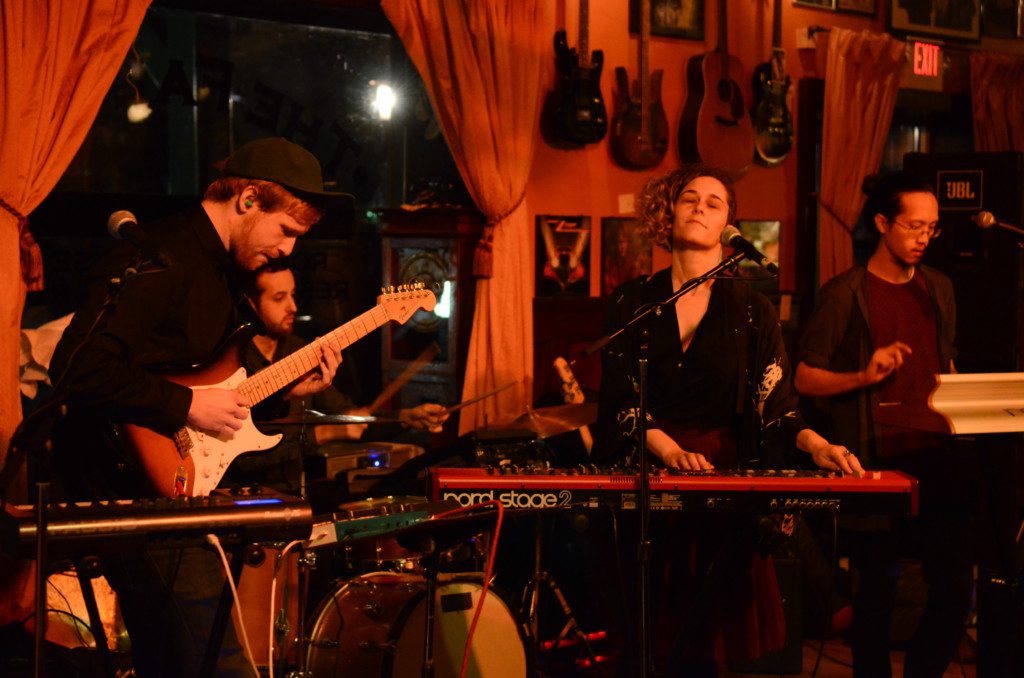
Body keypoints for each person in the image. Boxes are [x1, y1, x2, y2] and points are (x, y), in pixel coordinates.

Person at [47, 137, 346, 677]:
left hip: (174, 493)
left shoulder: (224, 272)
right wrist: (185, 405)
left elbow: (208, 386)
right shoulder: (160, 257)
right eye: (286, 230)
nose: (287, 250)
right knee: (218, 663)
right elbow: (77, 368)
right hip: (128, 493)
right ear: (248, 200)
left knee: (177, 660)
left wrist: (284, 392)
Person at [592, 164, 862, 677]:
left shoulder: (752, 309)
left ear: (729, 227)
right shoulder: (633, 301)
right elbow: (621, 399)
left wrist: (818, 446)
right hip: (651, 477)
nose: (699, 207)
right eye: (689, 198)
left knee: (710, 649)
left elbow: (778, 408)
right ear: (668, 214)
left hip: (722, 482)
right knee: (650, 643)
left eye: (713, 203)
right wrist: (669, 451)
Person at [795, 171, 972, 678]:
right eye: (914, 226)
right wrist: (862, 376)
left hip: (935, 456)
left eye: (932, 228)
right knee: (877, 591)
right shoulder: (844, 293)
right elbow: (803, 377)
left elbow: (945, 361)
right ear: (881, 224)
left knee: (954, 588)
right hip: (874, 461)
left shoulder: (939, 288)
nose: (924, 238)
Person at [224, 260, 448, 495]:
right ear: (250, 304)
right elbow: (241, 455)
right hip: (235, 496)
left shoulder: (299, 351)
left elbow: (349, 419)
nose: (293, 307)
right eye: (279, 298)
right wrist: (324, 433)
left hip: (293, 498)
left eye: (293, 295)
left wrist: (405, 418)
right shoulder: (229, 360)